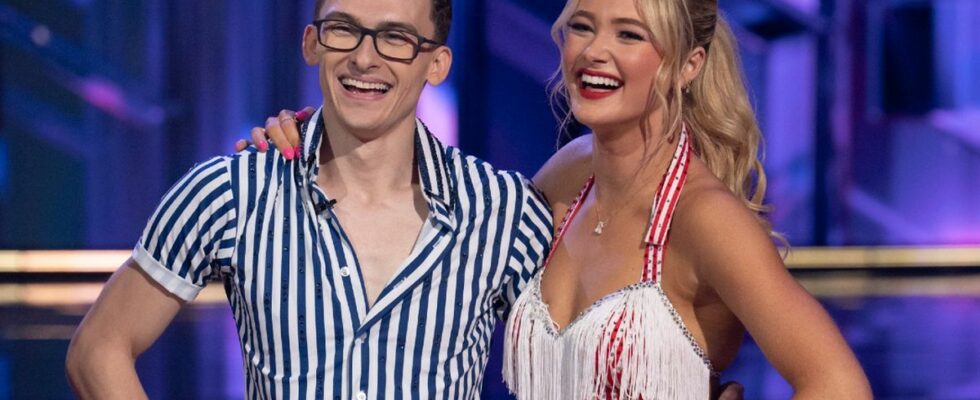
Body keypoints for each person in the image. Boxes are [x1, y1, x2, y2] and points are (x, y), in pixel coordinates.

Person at [258, 0, 871, 398]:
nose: (593, 51)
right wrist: (319, 143)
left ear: (688, 64)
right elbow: (427, 233)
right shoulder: (565, 178)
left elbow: (838, 384)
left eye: (629, 34)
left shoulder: (704, 216)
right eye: (582, 25)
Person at [65, 0, 556, 398]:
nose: (365, 58)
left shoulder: (502, 210)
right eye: (343, 29)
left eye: (395, 38)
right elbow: (98, 350)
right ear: (311, 42)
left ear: (436, 63)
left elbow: (574, 375)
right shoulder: (232, 191)